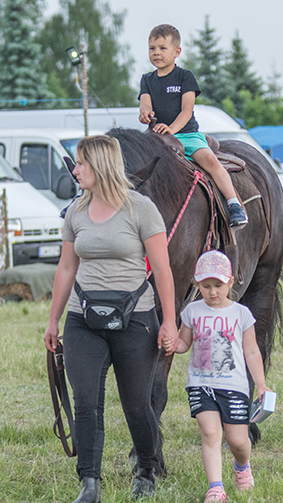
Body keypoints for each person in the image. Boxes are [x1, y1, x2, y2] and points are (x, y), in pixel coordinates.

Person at [42, 135, 178, 502]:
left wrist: (169, 322)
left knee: (137, 404)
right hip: (83, 318)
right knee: (86, 401)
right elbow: (67, 268)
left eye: (81, 163)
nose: (75, 169)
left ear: (101, 166)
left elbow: (162, 269)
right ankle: (90, 484)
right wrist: (53, 320)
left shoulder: (141, 209)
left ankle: (146, 471)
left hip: (136, 319)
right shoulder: (76, 211)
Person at [165, 250, 270, 503]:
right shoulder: (192, 311)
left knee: (238, 440)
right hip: (201, 385)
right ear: (197, 284)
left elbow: (252, 351)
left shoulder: (241, 314)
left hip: (233, 387)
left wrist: (261, 385)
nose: (212, 292)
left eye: (218, 285)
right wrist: (172, 343)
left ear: (231, 282)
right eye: (206, 286)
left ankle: (242, 466)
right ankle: (216, 487)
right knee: (210, 433)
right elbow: (184, 344)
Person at [138, 24, 248, 227]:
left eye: (162, 48)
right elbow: (145, 103)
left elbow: (186, 110)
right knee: (133, 164)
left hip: (187, 134)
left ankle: (234, 204)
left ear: (177, 51)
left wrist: (172, 129)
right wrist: (144, 114)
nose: (156, 53)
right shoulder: (147, 79)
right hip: (157, 138)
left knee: (210, 161)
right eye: (152, 48)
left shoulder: (184, 77)